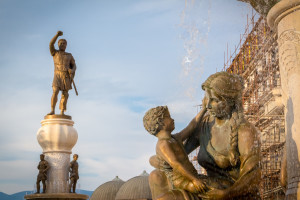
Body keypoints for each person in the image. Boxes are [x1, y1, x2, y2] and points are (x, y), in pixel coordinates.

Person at [184, 71, 261, 199]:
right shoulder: (204, 126)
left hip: (234, 194)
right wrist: (196, 120)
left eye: (214, 100)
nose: (208, 106)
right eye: (207, 99)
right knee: (157, 177)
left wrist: (227, 193)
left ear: (230, 102)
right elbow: (178, 151)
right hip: (209, 189)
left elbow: (254, 174)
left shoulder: (245, 131)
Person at [143, 106, 208, 200]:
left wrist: (204, 109)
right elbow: (176, 164)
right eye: (168, 117)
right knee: (208, 190)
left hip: (191, 176)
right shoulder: (163, 144)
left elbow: (191, 127)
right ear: (161, 123)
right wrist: (195, 180)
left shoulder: (174, 138)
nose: (172, 119)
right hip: (182, 181)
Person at [48, 31, 77, 116]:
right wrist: (57, 35)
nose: (62, 44)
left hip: (66, 76)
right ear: (58, 44)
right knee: (55, 91)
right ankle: (52, 110)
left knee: (65, 94)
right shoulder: (55, 53)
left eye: (64, 43)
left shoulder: (69, 55)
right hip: (57, 75)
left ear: (66, 45)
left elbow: (74, 65)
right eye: (61, 43)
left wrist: (72, 70)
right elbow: (50, 44)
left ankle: (62, 111)